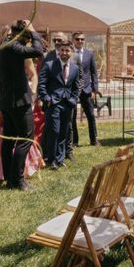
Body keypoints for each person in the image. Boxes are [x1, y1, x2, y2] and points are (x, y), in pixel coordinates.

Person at [0, 20, 44, 191]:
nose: (28, 41)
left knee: (10, 139)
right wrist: (33, 30)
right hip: (18, 101)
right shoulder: (13, 46)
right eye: (27, 37)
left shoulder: (0, 49)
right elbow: (38, 51)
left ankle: (9, 178)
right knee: (25, 138)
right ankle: (18, 179)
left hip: (7, 101)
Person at [39, 39, 80, 170]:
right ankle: (51, 159)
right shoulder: (50, 65)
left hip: (68, 104)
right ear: (58, 51)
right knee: (54, 131)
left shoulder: (75, 68)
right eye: (62, 50)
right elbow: (42, 84)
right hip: (53, 103)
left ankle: (60, 159)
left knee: (64, 132)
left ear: (71, 52)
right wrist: (46, 98)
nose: (64, 53)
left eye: (67, 50)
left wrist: (74, 99)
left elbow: (76, 87)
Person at [71, 32, 100, 147]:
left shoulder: (89, 54)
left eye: (82, 39)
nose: (80, 41)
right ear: (73, 40)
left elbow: (94, 73)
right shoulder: (69, 53)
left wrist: (94, 90)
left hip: (87, 89)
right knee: (72, 116)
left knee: (91, 115)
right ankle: (74, 141)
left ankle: (94, 140)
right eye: (77, 39)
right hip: (72, 89)